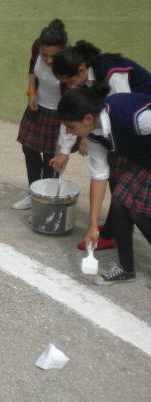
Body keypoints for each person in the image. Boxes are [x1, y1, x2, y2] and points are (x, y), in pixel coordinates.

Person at [51, 41, 151, 250]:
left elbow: (117, 112)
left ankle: (114, 232)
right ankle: (110, 233)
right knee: (120, 192)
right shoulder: (83, 84)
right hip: (120, 129)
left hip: (139, 125)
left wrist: (89, 134)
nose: (70, 87)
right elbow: (72, 117)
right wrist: (64, 150)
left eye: (70, 81)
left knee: (128, 197)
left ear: (81, 70)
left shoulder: (112, 75)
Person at [58, 85, 151, 287]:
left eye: (70, 126)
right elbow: (99, 175)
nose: (68, 131)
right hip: (142, 159)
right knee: (119, 202)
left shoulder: (132, 116)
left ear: (88, 118)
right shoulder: (93, 133)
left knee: (138, 213)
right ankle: (126, 270)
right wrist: (93, 226)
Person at [13, 19, 72, 210]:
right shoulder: (37, 45)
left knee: (50, 157)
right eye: (44, 55)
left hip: (59, 113)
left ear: (63, 49)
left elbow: (74, 97)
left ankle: (44, 199)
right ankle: (33, 192)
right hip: (38, 107)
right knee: (29, 148)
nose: (48, 60)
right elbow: (32, 67)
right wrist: (31, 92)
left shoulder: (71, 61)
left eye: (53, 56)